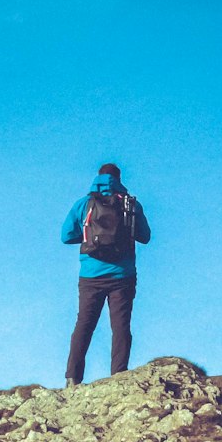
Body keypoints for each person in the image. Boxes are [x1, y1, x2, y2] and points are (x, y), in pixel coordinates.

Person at [61, 163, 151, 386]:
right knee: (120, 327)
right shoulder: (130, 204)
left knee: (84, 324)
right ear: (119, 178)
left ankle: (72, 378)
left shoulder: (84, 203)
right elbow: (145, 236)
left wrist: (88, 238)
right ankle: (119, 376)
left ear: (97, 177)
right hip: (123, 275)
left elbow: (65, 236)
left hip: (90, 275)